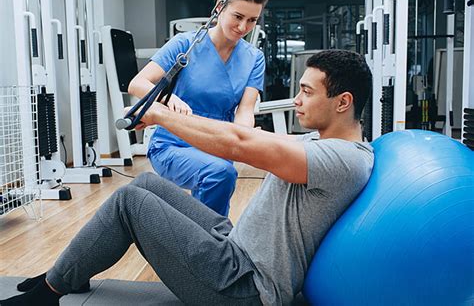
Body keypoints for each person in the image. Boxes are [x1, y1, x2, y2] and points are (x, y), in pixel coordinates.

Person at [1, 50, 374, 306]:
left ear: (343, 102)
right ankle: (71, 272)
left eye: (307, 92)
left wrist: (160, 116)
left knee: (131, 203)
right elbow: (248, 137)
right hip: (237, 246)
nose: (297, 99)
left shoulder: (341, 159)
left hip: (245, 286)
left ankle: (50, 291)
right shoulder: (321, 141)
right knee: (146, 185)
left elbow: (239, 144)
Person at [127, 0, 268, 216]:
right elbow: (137, 84)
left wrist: (243, 137)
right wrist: (168, 98)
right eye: (238, 16)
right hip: (173, 143)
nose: (243, 27)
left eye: (252, 20)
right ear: (219, 7)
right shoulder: (185, 43)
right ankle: (211, 242)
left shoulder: (254, 57)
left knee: (219, 177)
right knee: (219, 174)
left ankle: (208, 241)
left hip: (218, 143)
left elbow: (245, 110)